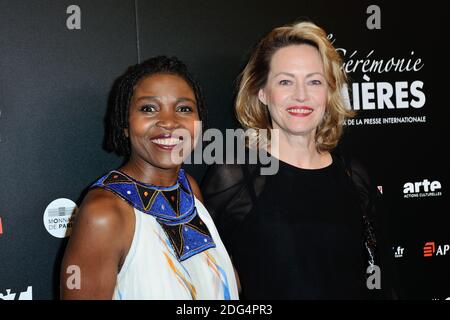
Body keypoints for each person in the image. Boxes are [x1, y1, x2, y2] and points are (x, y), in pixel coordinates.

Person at [201, 21, 395, 299]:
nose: (301, 95)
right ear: (262, 92)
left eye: (314, 81)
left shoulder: (353, 174)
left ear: (329, 93)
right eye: (285, 81)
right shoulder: (234, 177)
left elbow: (382, 276)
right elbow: (208, 283)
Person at [60, 56, 239, 300]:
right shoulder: (104, 213)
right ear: (125, 123)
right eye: (149, 108)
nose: (169, 121)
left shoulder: (189, 189)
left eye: (184, 108)